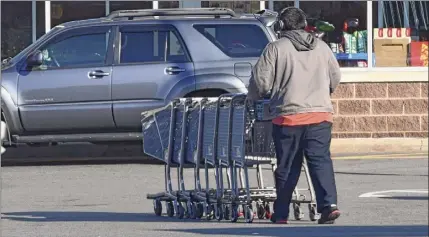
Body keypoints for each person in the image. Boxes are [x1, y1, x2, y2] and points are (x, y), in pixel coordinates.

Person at [247, 7, 342, 224]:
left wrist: (253, 98)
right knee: (320, 162)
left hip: (288, 117)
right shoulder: (323, 47)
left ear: (281, 26)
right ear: (303, 24)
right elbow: (335, 76)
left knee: (288, 167)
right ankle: (329, 206)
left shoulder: (275, 48)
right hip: (320, 116)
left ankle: (281, 214)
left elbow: (261, 83)